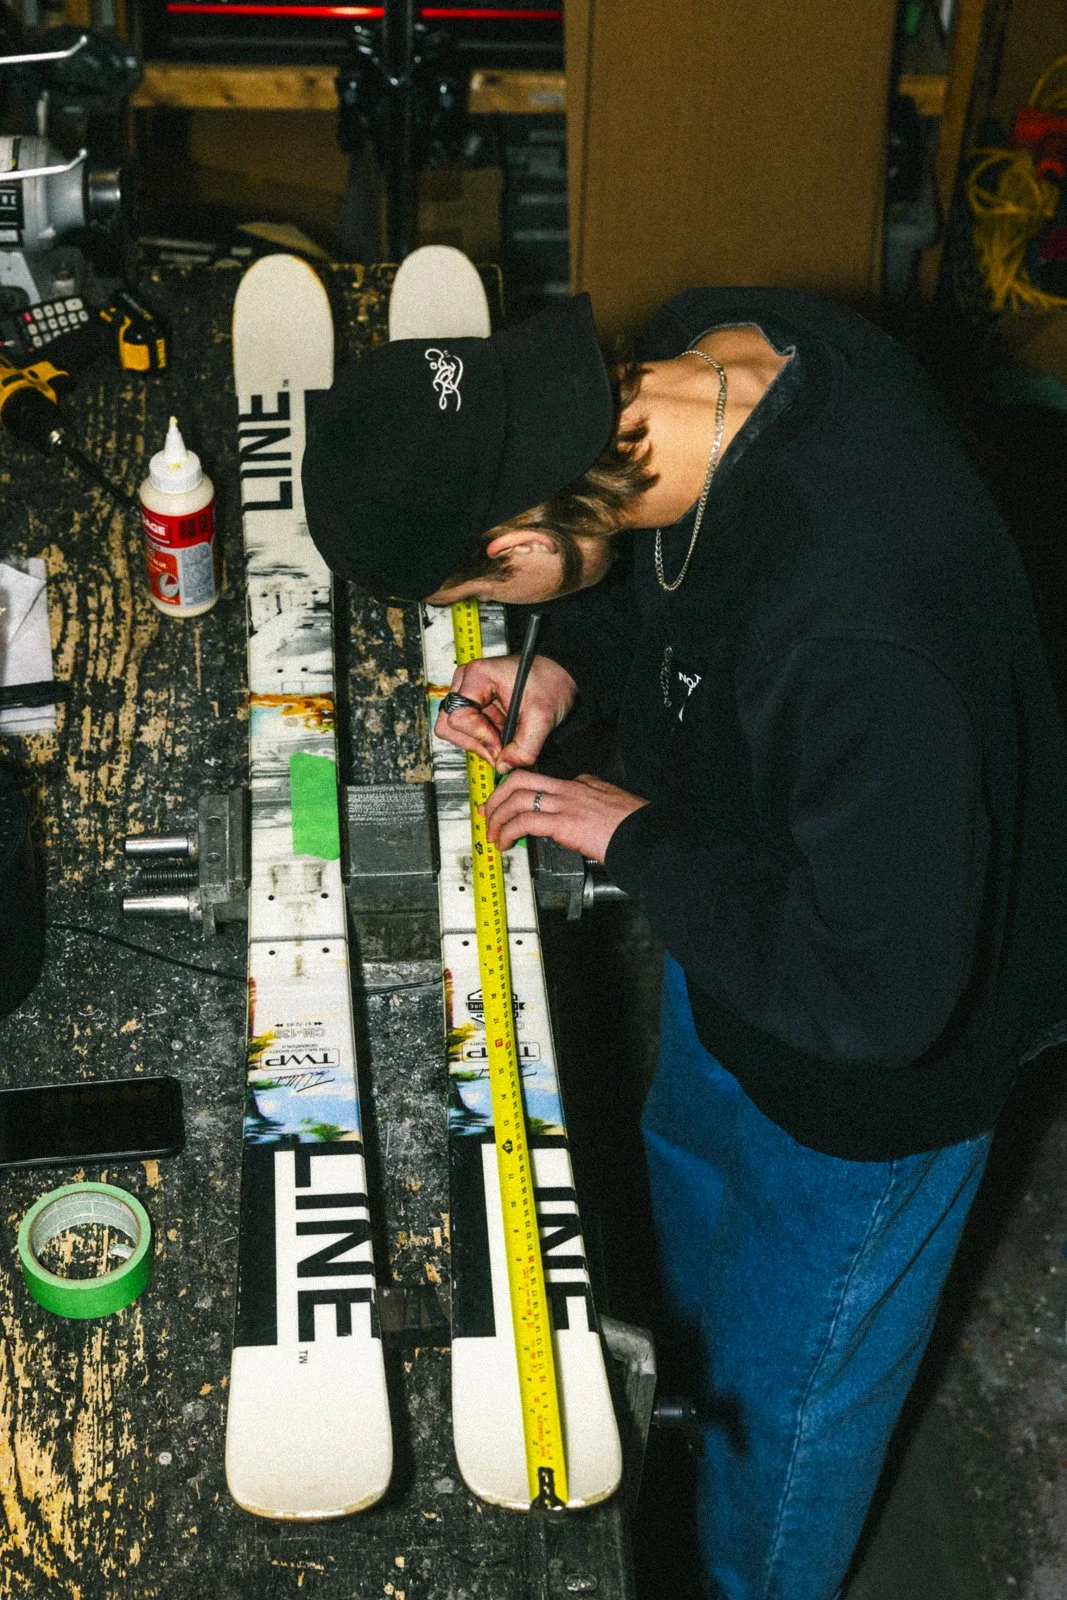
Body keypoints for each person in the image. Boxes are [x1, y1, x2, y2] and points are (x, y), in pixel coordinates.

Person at [302, 288, 1067, 1600]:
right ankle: (675, 1445)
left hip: (868, 1076)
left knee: (785, 1416)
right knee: (695, 1234)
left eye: (485, 593)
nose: (496, 608)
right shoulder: (705, 354)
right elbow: (647, 565)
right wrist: (561, 665)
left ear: (508, 537)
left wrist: (635, 838)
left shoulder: (855, 623)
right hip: (750, 932)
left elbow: (879, 997)